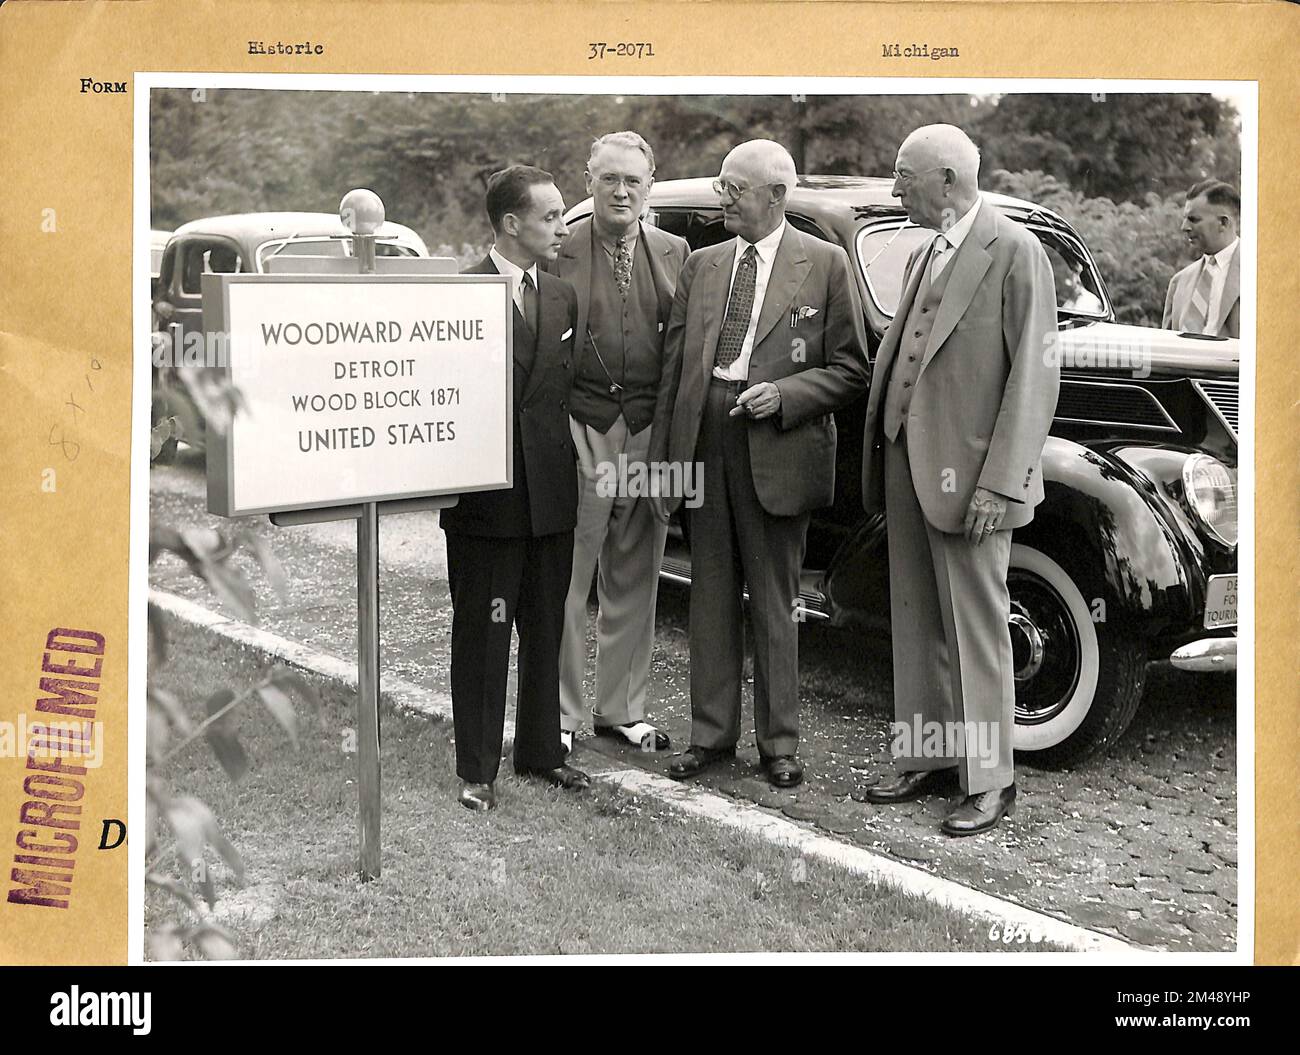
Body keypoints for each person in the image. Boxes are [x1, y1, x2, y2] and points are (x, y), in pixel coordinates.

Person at [649, 139, 870, 790]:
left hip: (778, 443)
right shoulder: (703, 264)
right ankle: (711, 737)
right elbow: (674, 371)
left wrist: (787, 395)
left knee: (775, 601)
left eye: (734, 188)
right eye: (720, 186)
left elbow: (853, 369)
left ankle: (779, 745)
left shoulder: (826, 264)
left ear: (776, 196)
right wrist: (666, 464)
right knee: (710, 594)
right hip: (706, 437)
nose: (723, 199)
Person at [860, 124, 1060, 835]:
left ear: (947, 180)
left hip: (974, 481)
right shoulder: (923, 251)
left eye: (903, 176)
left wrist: (1001, 483)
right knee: (915, 621)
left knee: (976, 630)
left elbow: (1036, 378)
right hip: (905, 467)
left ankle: (990, 781)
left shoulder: (1015, 250)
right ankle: (927, 755)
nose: (894, 189)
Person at [441, 165, 590, 811]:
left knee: (545, 625)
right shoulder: (459, 297)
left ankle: (540, 751)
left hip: (552, 494)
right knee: (483, 632)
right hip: (486, 500)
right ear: (511, 224)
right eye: (551, 216)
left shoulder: (560, 295)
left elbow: (559, 395)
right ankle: (477, 768)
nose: (561, 227)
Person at [554, 132, 689, 756]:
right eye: (609, 178)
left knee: (636, 571)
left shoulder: (674, 249)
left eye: (633, 180)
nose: (621, 191)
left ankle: (622, 711)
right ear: (589, 181)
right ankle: (558, 713)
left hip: (646, 435)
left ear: (650, 186)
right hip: (581, 427)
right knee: (568, 575)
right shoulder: (560, 248)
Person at [1163, 179, 1240, 338]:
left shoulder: (1260, 273)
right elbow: (1168, 351)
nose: (1184, 227)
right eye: (1185, 218)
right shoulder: (1179, 282)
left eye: (1194, 219)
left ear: (1223, 223)